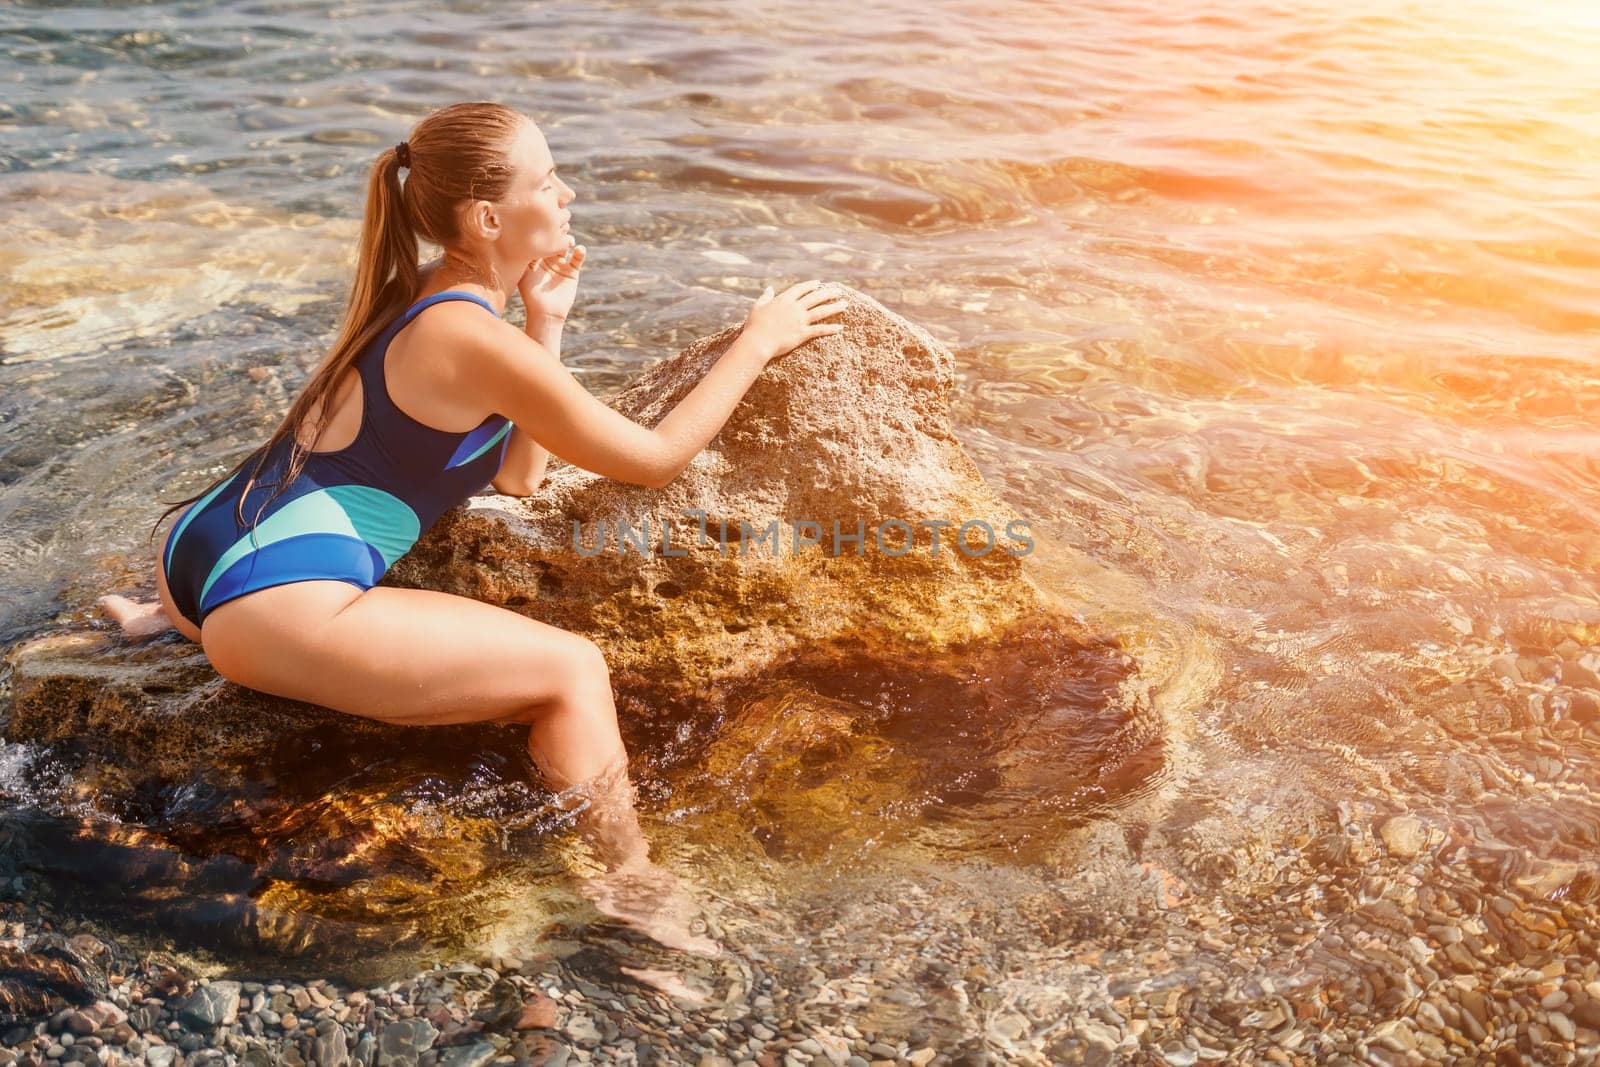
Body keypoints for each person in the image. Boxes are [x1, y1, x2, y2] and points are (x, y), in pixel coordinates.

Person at [98, 99, 847, 960]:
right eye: (548, 180)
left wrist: (547, 321)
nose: (566, 193)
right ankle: (632, 891)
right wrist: (757, 342)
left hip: (194, 553)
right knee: (574, 669)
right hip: (271, 606)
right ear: (490, 216)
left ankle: (153, 624)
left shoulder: (417, 292)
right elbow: (652, 460)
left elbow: (517, 475)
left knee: (529, 648)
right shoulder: (469, 334)